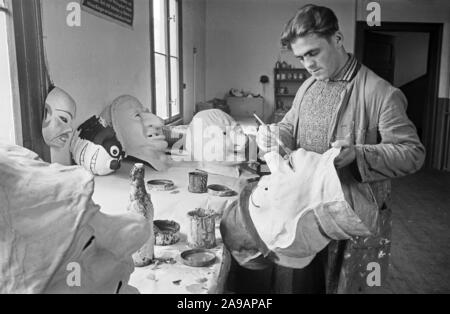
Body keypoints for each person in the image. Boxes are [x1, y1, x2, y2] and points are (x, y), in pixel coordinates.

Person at [256, 4, 425, 293]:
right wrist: (273, 134)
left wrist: (359, 154)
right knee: (306, 283)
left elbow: (412, 153)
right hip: (306, 209)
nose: (307, 63)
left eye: (313, 52)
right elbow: (289, 125)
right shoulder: (309, 86)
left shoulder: (380, 93)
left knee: (349, 287)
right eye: (300, 57)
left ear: (337, 39)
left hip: (353, 214)